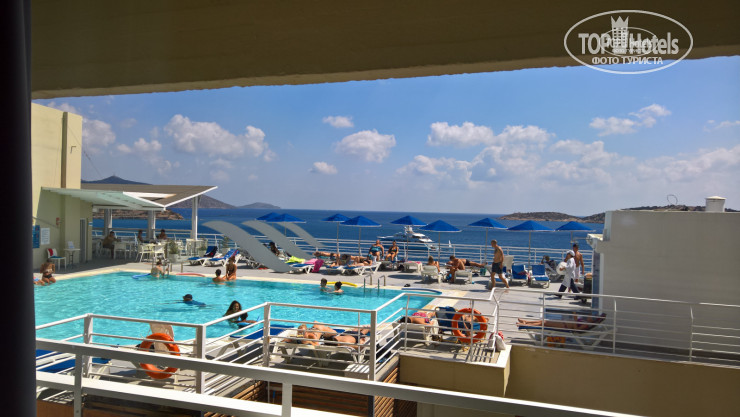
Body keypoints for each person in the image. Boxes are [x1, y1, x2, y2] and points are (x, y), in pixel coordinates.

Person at [517, 312, 606, 331]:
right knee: (543, 321)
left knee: (544, 323)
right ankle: (526, 321)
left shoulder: (585, 325)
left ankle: (525, 324)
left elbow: (576, 330)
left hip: (564, 326)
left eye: (591, 316)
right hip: (563, 323)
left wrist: (575, 319)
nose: (589, 316)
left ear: (592, 320)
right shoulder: (584, 321)